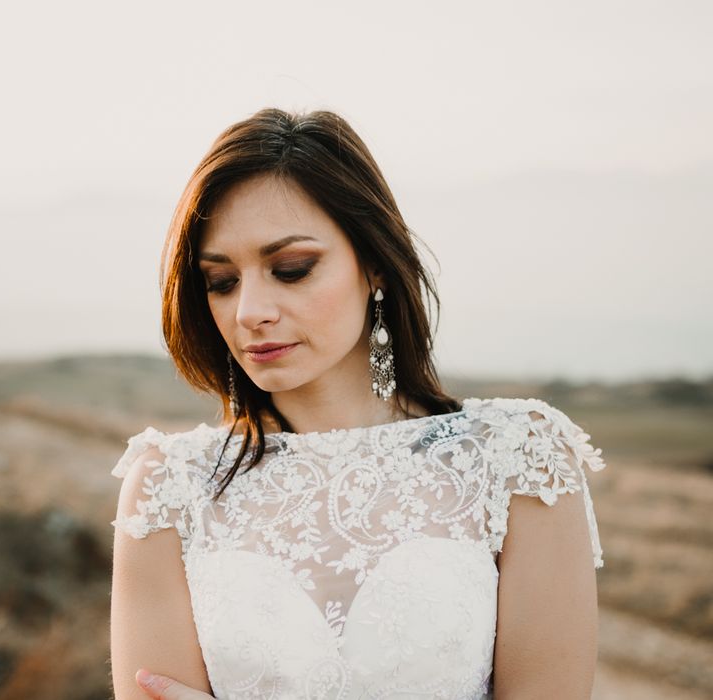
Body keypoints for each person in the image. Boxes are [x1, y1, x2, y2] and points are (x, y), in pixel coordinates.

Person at [109, 107, 607, 700]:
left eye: (291, 270)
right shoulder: (170, 486)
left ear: (373, 264)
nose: (249, 312)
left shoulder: (519, 458)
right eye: (221, 281)